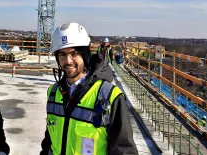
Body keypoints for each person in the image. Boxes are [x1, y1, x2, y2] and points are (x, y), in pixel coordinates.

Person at [40, 22, 138, 155]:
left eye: (74, 53)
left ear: (85, 55)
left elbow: (124, 150)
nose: (68, 61)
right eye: (62, 54)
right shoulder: (53, 93)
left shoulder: (110, 97)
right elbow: (49, 142)